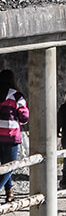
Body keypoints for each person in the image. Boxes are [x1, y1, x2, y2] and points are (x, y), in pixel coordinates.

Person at [0, 69, 29, 204]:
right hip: (10, 136)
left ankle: (9, 192)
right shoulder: (17, 96)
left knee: (3, 166)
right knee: (10, 167)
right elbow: (24, 116)